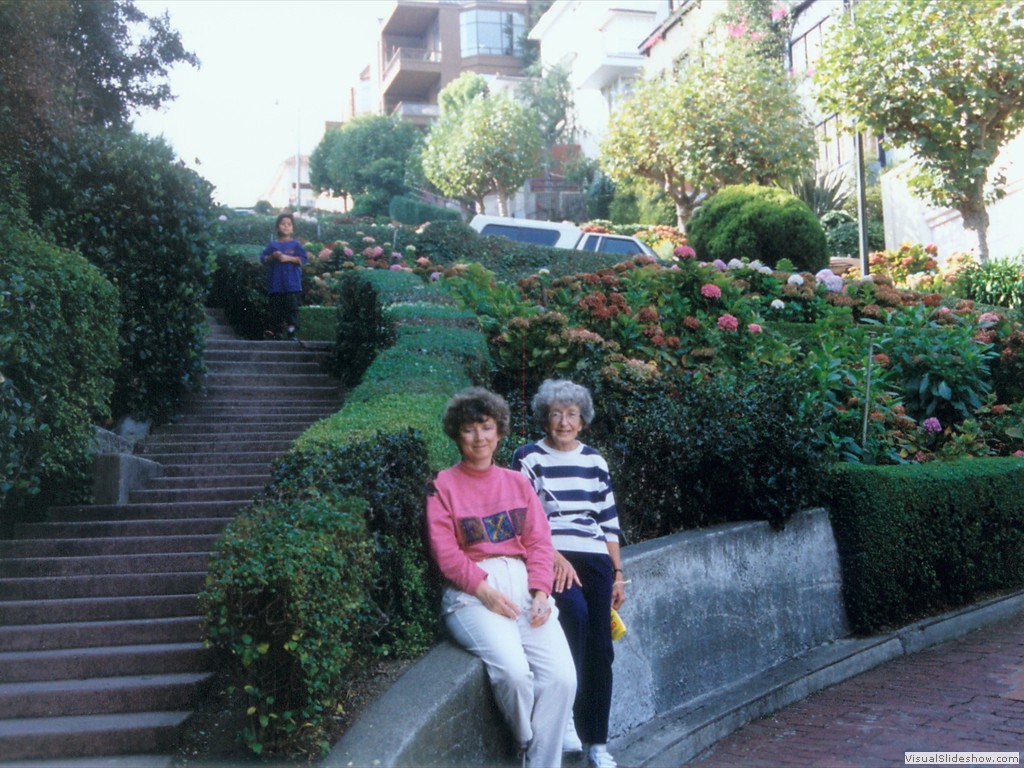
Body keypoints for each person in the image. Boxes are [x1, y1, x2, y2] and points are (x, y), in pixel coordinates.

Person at [426, 387, 577, 768]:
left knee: (562, 679)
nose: (479, 438)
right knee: (514, 675)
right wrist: (485, 592)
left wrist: (541, 592)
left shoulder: (517, 482)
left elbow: (540, 542)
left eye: (486, 427)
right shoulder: (441, 486)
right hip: (472, 593)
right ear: (456, 434)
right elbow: (446, 554)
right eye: (469, 430)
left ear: (499, 431)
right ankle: (528, 740)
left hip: (525, 584)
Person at [511, 379, 625, 768]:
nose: (563, 422)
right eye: (556, 413)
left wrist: (619, 573)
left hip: (594, 556)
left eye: (571, 414)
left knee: (601, 646)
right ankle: (568, 722)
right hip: (551, 552)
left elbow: (609, 521)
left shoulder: (595, 461)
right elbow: (525, 518)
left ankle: (598, 742)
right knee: (572, 618)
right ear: (545, 417)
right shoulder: (528, 457)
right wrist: (552, 555)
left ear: (582, 420)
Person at [259, 212, 307, 340]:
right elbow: (263, 259)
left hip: (292, 284)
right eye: (283, 224)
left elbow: (303, 259)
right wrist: (272, 256)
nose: (286, 227)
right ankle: (276, 332)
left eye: (289, 224)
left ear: (293, 228)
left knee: (291, 308)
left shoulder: (296, 244)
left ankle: (292, 332)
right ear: (277, 227)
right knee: (276, 309)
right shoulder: (272, 245)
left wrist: (289, 258)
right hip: (275, 284)